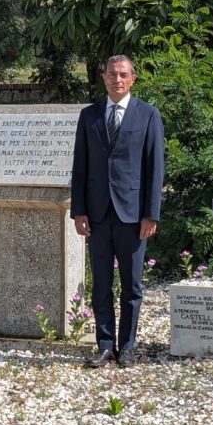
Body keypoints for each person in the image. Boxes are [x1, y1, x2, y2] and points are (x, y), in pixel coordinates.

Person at [71, 55, 164, 367]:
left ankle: (127, 347)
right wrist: (79, 211)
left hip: (133, 215)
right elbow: (80, 167)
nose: (117, 80)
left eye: (123, 74)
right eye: (112, 74)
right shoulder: (89, 116)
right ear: (103, 78)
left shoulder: (148, 116)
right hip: (97, 214)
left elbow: (155, 168)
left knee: (131, 285)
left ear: (133, 79)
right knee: (100, 284)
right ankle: (104, 345)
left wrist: (151, 214)